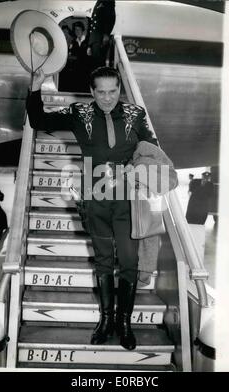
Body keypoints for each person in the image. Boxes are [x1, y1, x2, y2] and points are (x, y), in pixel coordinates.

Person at [27, 66, 158, 351]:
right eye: (101, 92)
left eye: (113, 91)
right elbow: (38, 120)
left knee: (128, 260)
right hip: (93, 194)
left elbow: (152, 146)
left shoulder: (136, 114)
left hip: (127, 197)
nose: (108, 98)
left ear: (119, 90)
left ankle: (125, 323)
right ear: (92, 91)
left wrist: (141, 172)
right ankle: (106, 321)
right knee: (102, 260)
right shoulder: (80, 113)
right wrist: (35, 88)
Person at [87, 0, 116, 70]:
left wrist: (106, 34)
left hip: (100, 37)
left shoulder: (108, 1)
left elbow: (111, 18)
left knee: (98, 63)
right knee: (94, 63)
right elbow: (92, 24)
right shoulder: (98, 2)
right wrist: (90, 44)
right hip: (94, 38)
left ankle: (99, 79)